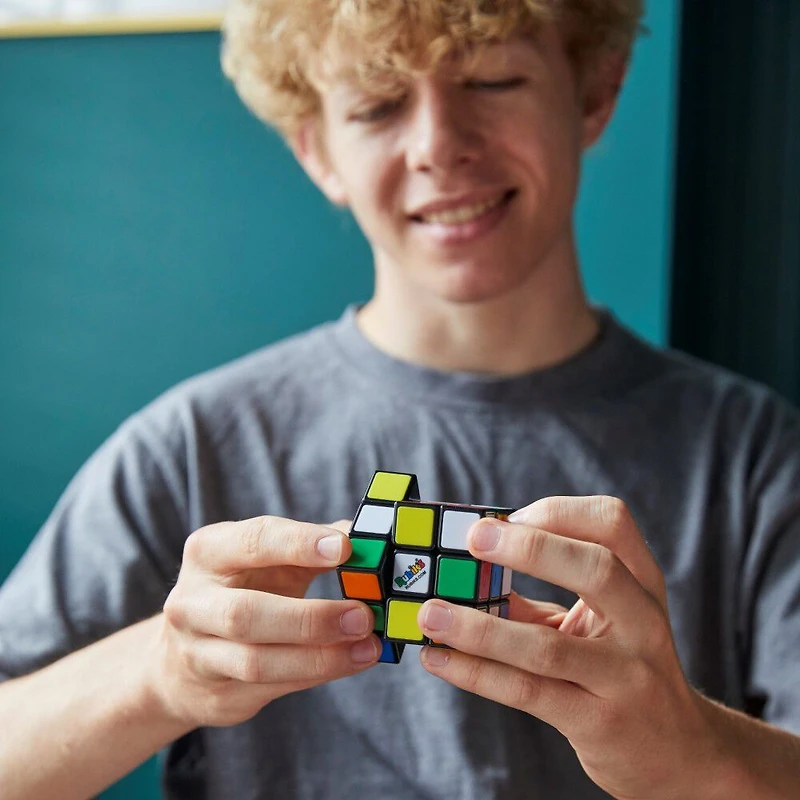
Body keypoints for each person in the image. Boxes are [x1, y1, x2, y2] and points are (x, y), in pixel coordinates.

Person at [1, 0, 799, 797]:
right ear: (316, 147)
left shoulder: (755, 456)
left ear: (595, 89)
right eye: (378, 103)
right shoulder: (188, 448)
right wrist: (158, 674)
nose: (438, 146)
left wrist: (694, 753)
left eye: (491, 80)